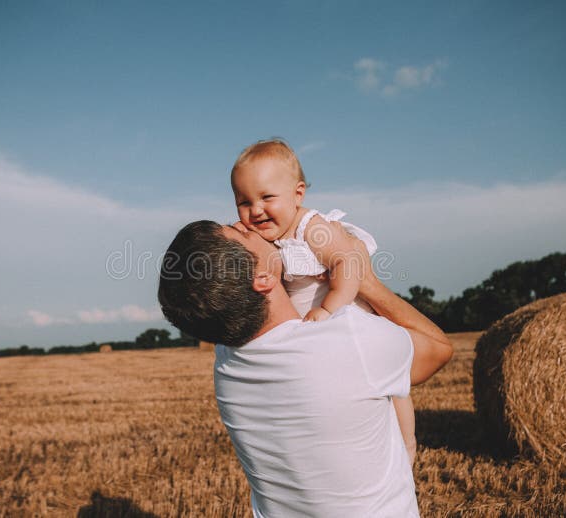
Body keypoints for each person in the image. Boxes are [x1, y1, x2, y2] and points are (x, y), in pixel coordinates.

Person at [158, 220, 453, 516]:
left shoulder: (227, 363)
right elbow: (438, 349)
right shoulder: (345, 340)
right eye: (243, 233)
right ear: (262, 278)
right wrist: (364, 280)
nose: (243, 221)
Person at [230, 138, 418, 464]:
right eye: (243, 202)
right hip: (314, 333)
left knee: (391, 389)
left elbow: (349, 262)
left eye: (266, 197)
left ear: (298, 194)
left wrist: (329, 307)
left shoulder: (312, 228)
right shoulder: (266, 234)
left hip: (346, 317)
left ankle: (408, 445)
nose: (255, 210)